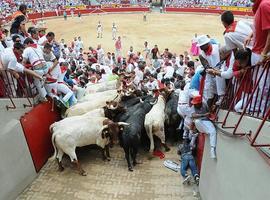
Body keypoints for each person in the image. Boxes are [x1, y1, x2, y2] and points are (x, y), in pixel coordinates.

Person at [244, 0, 270, 116]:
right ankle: (258, 110)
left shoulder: (264, 4)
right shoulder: (261, 4)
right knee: (259, 85)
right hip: (258, 51)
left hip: (261, 53)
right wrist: (251, 34)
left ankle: (264, 114)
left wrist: (264, 53)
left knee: (263, 86)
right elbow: (260, 26)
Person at [22, 38, 49, 102]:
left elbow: (23, 62)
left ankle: (44, 97)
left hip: (38, 68)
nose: (24, 47)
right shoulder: (39, 47)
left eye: (25, 45)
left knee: (37, 83)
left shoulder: (27, 49)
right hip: (45, 67)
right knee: (40, 82)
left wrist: (22, 69)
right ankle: (44, 93)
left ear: (28, 43)